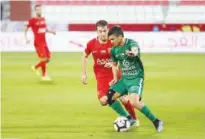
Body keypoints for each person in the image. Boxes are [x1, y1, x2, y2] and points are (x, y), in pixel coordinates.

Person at [82, 20, 139, 126]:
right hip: (101, 77)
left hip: (116, 74)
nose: (103, 34)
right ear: (96, 31)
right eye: (100, 31)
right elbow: (84, 56)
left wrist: (115, 64)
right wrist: (84, 73)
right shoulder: (91, 44)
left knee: (123, 98)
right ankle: (129, 118)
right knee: (103, 101)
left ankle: (133, 119)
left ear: (107, 30)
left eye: (104, 31)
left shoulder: (113, 42)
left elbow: (122, 57)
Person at [107, 26, 164, 132]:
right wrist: (115, 76)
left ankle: (156, 121)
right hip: (124, 79)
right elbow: (115, 64)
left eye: (112, 39)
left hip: (136, 78)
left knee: (134, 102)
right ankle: (129, 118)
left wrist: (134, 53)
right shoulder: (114, 50)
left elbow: (135, 49)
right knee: (109, 97)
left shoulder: (131, 43)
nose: (111, 42)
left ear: (120, 37)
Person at [24, 4, 56, 81]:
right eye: (37, 10)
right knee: (44, 59)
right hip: (38, 43)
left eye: (40, 9)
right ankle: (43, 75)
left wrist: (51, 32)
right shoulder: (32, 20)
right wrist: (26, 38)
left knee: (48, 59)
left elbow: (45, 29)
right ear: (35, 11)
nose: (39, 11)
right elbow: (25, 28)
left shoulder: (43, 19)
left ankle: (35, 68)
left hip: (44, 42)